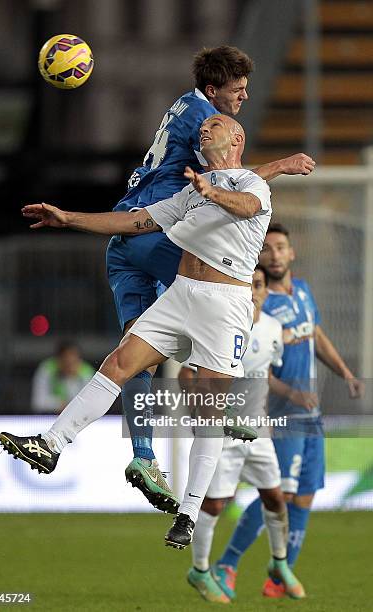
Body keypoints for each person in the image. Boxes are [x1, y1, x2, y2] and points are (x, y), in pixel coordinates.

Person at [0, 113, 273, 549]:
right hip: (182, 294)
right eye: (204, 127)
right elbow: (134, 221)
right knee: (119, 362)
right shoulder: (190, 192)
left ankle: (188, 514)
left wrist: (212, 190)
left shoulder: (251, 185)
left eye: (215, 125)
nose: (205, 129)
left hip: (224, 307)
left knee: (209, 413)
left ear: (237, 137)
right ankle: (50, 443)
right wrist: (68, 218)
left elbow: (246, 208)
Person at [104, 45, 316, 513]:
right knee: (229, 286)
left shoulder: (181, 104)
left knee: (138, 349)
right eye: (237, 91)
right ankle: (228, 403)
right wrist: (279, 166)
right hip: (158, 229)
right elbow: (226, 188)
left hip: (124, 238)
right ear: (214, 89)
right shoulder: (208, 123)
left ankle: (143, 456)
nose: (242, 100)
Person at [216, 223, 364, 598]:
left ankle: (280, 578)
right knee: (277, 494)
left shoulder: (304, 292)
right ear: (259, 257)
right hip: (281, 413)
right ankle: (226, 564)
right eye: (267, 249)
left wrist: (345, 372)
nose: (275, 254)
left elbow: (316, 335)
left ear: (292, 253)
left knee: (305, 496)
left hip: (310, 416)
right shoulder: (261, 307)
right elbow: (260, 370)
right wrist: (293, 396)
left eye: (281, 247)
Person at [179, 266, 304, 603]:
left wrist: (293, 395)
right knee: (216, 504)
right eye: (248, 283)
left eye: (259, 285)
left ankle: (279, 564)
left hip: (258, 430)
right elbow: (186, 374)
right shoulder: (220, 325)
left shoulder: (274, 328)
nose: (253, 290)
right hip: (222, 433)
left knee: (276, 498)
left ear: (266, 291)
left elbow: (263, 375)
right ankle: (200, 570)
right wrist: (199, 409)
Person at [31, 341, 95, 414]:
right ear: (58, 359)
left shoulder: (86, 372)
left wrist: (72, 380)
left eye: (73, 362)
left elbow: (92, 404)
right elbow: (38, 402)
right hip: (50, 416)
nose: (69, 366)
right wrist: (60, 405)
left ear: (79, 360)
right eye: (66, 361)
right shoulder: (47, 369)